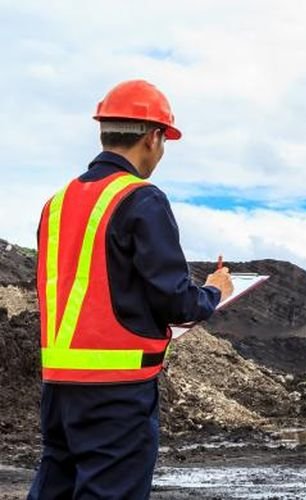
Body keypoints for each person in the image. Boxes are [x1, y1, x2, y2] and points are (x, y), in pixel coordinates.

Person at [28, 79, 233, 499]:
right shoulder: (142, 199)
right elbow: (177, 302)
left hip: (59, 389)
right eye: (164, 141)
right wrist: (215, 291)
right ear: (153, 137)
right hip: (117, 393)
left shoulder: (58, 203)